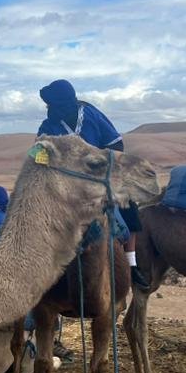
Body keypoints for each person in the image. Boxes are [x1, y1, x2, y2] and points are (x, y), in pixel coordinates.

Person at [37, 79, 149, 289]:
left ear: (63, 103)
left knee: (129, 211)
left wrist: (100, 164)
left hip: (99, 178)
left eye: (51, 105)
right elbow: (39, 155)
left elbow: (117, 144)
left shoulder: (91, 116)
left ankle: (132, 266)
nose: (49, 109)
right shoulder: (49, 125)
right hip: (66, 184)